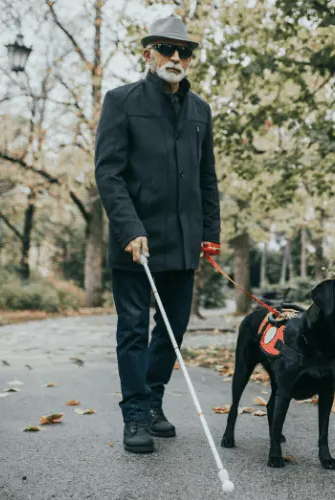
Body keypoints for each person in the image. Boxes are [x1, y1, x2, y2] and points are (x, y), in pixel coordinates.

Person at [95, 15, 221, 454]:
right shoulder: (120, 101)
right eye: (166, 49)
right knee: (132, 328)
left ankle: (153, 400)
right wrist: (129, 229)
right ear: (148, 52)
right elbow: (108, 174)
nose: (175, 57)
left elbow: (207, 179)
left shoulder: (201, 111)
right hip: (135, 244)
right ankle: (134, 415)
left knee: (173, 329)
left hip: (184, 242)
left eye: (183, 51)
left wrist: (210, 235)